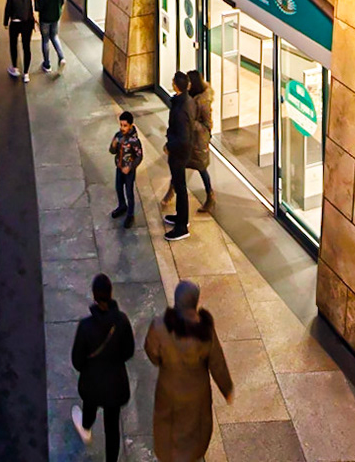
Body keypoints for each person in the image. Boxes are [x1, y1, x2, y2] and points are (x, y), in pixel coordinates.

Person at [144, 280, 233, 462]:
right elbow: (217, 363)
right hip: (197, 394)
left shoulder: (159, 326)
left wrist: (163, 362)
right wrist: (227, 389)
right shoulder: (205, 331)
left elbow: (151, 353)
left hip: (168, 389)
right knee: (195, 430)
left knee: (167, 425)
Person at [70, 274, 136, 462]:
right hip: (115, 384)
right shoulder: (122, 321)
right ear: (110, 293)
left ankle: (86, 428)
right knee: (112, 426)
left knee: (89, 406)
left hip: (91, 381)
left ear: (94, 296)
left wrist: (87, 368)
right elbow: (129, 351)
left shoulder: (85, 326)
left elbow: (77, 360)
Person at [163, 73, 193, 242]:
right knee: (179, 185)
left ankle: (181, 226)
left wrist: (169, 146)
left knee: (180, 187)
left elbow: (182, 137)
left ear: (176, 86)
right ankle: (181, 217)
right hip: (181, 151)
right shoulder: (186, 101)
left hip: (179, 153)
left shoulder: (181, 109)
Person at [186, 70, 215, 214]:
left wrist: (192, 123)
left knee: (201, 168)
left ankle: (210, 196)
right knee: (178, 164)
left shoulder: (203, 102)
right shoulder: (190, 96)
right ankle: (170, 191)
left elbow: (207, 125)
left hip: (198, 141)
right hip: (188, 138)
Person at [109, 112, 143, 230]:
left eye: (125, 125)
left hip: (129, 171)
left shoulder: (134, 141)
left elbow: (139, 156)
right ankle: (122, 206)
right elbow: (112, 151)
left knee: (129, 192)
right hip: (119, 167)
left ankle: (130, 214)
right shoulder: (118, 136)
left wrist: (131, 167)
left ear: (130, 125)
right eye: (121, 125)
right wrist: (113, 146)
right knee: (118, 188)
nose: (122, 128)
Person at [2, 0, 36, 80]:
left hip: (15, 23)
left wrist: (5, 22)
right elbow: (34, 7)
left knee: (13, 45)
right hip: (27, 23)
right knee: (26, 47)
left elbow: (8, 9)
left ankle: (15, 68)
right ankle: (26, 73)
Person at [36, 0, 66, 71]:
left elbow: (39, 7)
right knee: (55, 36)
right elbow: (62, 0)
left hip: (45, 19)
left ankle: (47, 64)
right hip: (56, 17)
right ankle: (61, 57)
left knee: (45, 40)